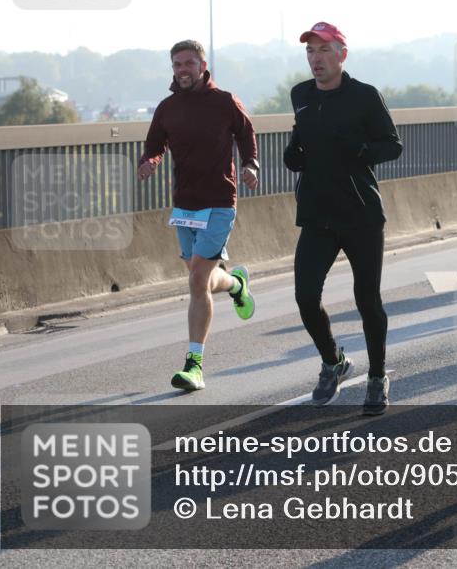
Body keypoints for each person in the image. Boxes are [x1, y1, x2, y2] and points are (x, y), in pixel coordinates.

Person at [284, 22, 403, 415]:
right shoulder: (300, 95)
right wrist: (293, 151)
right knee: (305, 297)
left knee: (367, 300)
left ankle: (377, 377)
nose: (315, 58)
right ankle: (333, 360)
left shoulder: (364, 96)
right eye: (310, 51)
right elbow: (302, 136)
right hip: (317, 214)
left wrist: (361, 149)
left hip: (360, 215)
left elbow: (393, 145)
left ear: (342, 54)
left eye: (323, 50)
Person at [138, 39, 259, 392]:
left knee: (196, 279)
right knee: (200, 280)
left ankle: (195, 366)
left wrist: (251, 164)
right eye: (177, 64)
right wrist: (149, 162)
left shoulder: (224, 101)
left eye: (189, 63)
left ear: (203, 66)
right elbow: (154, 145)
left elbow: (246, 134)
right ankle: (236, 284)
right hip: (184, 204)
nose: (183, 70)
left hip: (219, 201)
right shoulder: (168, 108)